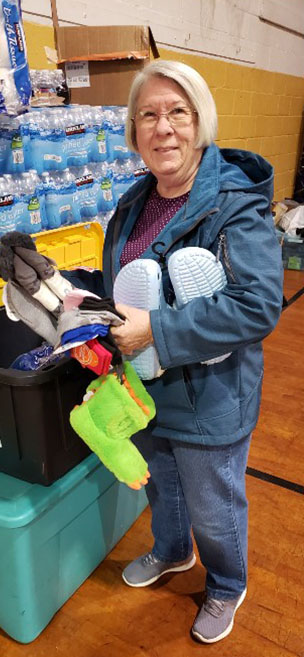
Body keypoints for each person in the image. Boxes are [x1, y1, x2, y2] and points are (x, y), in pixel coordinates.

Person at [101, 60, 282, 644]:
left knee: (213, 502)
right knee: (162, 486)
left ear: (200, 121)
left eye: (177, 112)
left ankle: (227, 583)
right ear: (133, 131)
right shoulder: (133, 203)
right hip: (147, 386)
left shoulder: (231, 204)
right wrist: (70, 291)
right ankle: (172, 551)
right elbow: (120, 282)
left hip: (211, 394)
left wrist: (157, 328)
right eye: (148, 115)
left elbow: (257, 305)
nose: (163, 128)